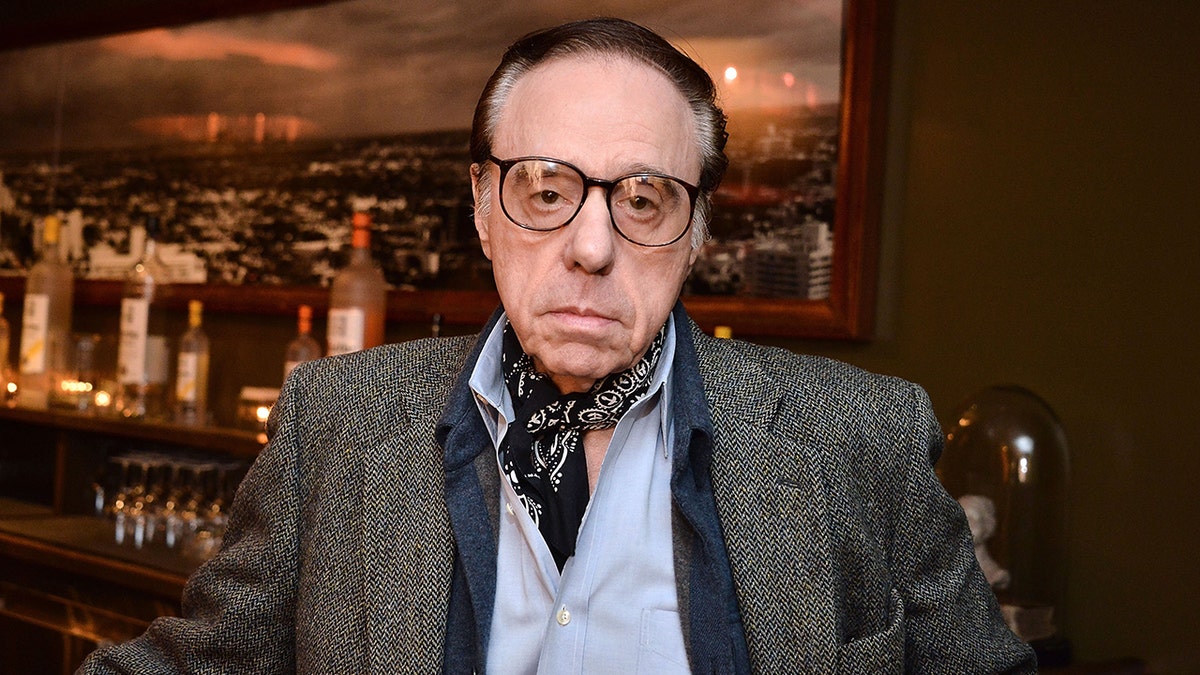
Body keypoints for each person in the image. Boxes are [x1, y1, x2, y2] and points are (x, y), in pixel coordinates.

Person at [79, 17, 1035, 674]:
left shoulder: (859, 437)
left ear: (696, 234)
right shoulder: (338, 418)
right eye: (546, 189)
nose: (590, 244)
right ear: (485, 209)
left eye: (644, 198)